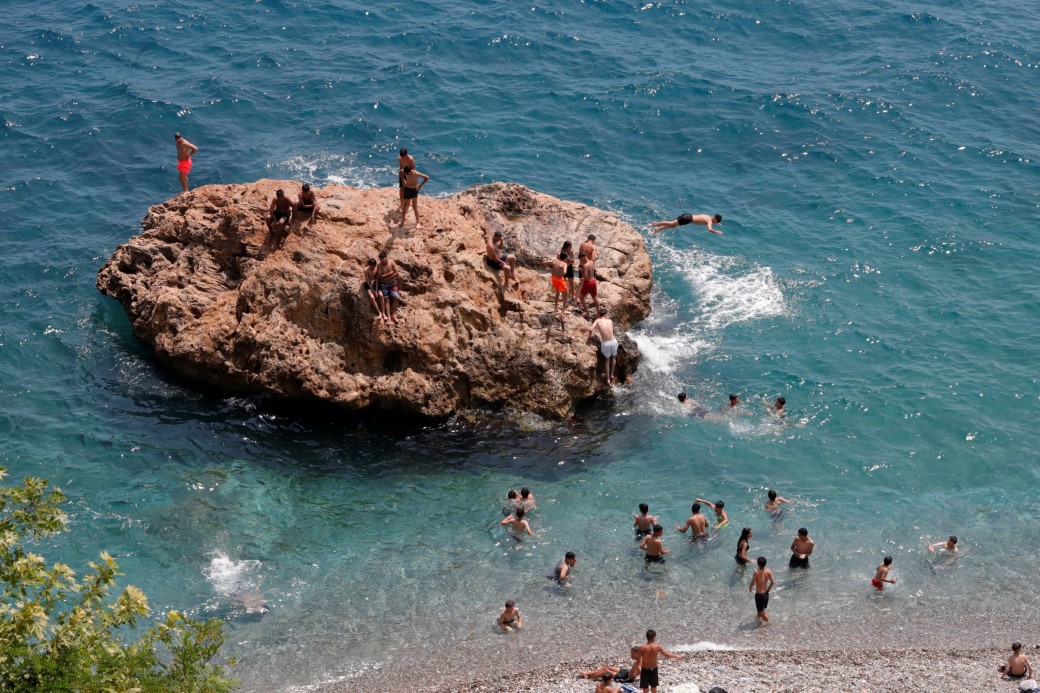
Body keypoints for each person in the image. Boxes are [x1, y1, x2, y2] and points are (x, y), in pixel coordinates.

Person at [638, 629, 681, 693]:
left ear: (646, 637)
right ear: (654, 637)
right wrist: (676, 656)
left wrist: (638, 668)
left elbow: (638, 659)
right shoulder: (657, 647)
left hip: (645, 669)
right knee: (654, 687)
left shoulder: (641, 647)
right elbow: (667, 655)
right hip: (654, 669)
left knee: (645, 688)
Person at [589, 307, 617, 385]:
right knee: (613, 357)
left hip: (606, 343)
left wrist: (589, 336)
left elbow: (591, 329)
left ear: (599, 314)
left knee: (607, 360)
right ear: (606, 314)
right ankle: (612, 375)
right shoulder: (610, 321)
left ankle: (607, 378)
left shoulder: (598, 320)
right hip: (614, 341)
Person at [376, 252, 402, 325]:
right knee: (386, 300)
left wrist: (389, 277)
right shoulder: (379, 266)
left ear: (386, 257)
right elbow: (380, 276)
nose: (381, 261)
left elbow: (397, 273)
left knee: (396, 297)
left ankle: (394, 314)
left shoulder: (392, 263)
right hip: (384, 285)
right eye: (380, 259)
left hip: (393, 284)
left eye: (383, 259)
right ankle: (389, 318)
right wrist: (390, 273)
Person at [749, 556, 775, 622]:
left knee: (762, 612)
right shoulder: (768, 571)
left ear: (758, 564)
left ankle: (768, 623)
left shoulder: (756, 572)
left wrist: (750, 587)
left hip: (759, 595)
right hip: (766, 594)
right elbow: (772, 582)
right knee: (760, 610)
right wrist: (768, 589)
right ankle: (758, 621)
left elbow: (753, 583)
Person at [649, 213, 723, 236]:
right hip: (687, 219)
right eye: (716, 222)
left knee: (673, 225)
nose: (715, 223)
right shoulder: (709, 221)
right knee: (671, 223)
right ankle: (655, 224)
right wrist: (716, 231)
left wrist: (718, 223)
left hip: (688, 216)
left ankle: (657, 229)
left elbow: (711, 220)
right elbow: (709, 229)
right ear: (715, 219)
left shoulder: (708, 216)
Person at [363, 258, 388, 324]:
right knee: (372, 297)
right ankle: (379, 312)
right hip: (369, 284)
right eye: (372, 266)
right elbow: (367, 281)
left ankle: (383, 313)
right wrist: (373, 291)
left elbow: (377, 279)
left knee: (381, 295)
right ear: (369, 265)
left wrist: (376, 290)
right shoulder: (366, 270)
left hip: (376, 284)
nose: (373, 267)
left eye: (374, 266)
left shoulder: (377, 268)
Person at [577, 253, 599, 317]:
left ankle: (588, 313)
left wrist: (581, 271)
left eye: (580, 259)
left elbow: (586, 278)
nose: (581, 261)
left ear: (582, 258)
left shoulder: (585, 266)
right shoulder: (592, 262)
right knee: (595, 297)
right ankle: (597, 312)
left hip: (588, 283)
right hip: (593, 281)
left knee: (581, 297)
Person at [560, 241, 577, 305]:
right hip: (565, 267)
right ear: (567, 247)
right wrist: (572, 255)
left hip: (569, 267)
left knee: (571, 282)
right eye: (570, 247)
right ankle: (564, 296)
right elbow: (572, 261)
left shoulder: (566, 251)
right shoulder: (564, 252)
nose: (571, 248)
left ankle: (572, 296)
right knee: (564, 282)